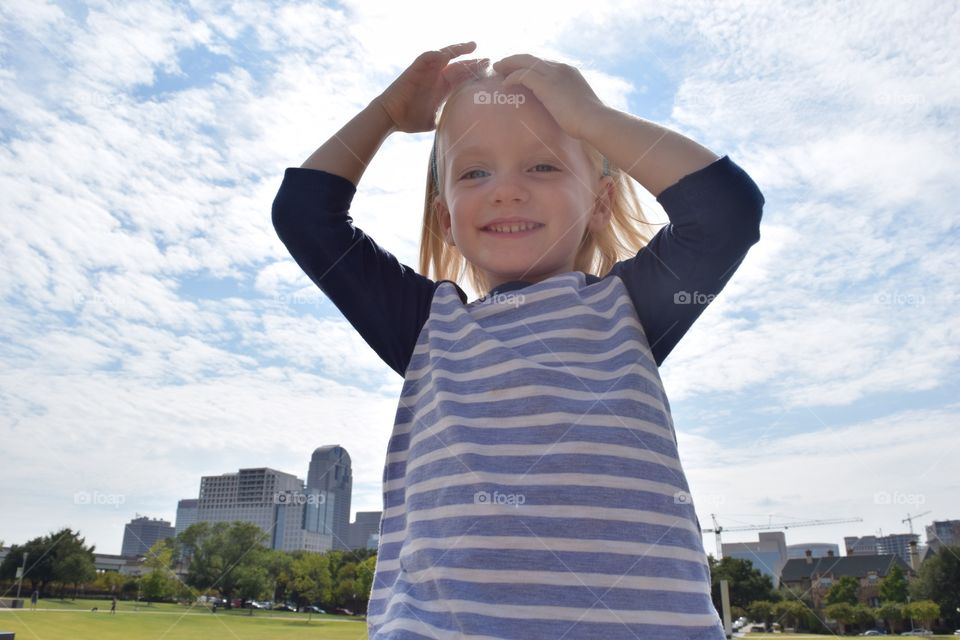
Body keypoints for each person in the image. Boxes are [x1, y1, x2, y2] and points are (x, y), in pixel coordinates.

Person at [272, 41, 764, 640]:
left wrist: (591, 119)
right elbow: (304, 215)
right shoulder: (427, 326)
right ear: (446, 218)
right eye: (475, 172)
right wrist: (386, 112)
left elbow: (727, 210)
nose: (505, 190)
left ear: (602, 202)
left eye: (543, 165)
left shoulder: (629, 309)